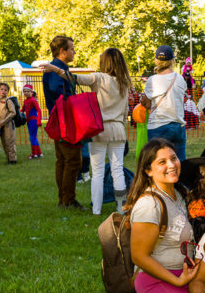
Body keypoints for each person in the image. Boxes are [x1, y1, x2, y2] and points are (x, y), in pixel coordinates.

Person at [126, 138, 205, 293]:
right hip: (156, 279)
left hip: (184, 273)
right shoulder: (149, 204)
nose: (171, 165)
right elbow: (139, 256)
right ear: (148, 171)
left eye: (173, 158)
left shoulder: (177, 193)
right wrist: (178, 282)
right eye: (162, 162)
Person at [43, 47, 132, 215]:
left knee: (97, 172)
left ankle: (96, 210)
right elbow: (125, 110)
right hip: (119, 130)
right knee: (117, 170)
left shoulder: (98, 78)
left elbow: (72, 78)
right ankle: (121, 209)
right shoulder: (124, 82)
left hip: (99, 130)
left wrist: (54, 68)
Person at [43, 35, 83, 209]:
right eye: (71, 48)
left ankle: (64, 199)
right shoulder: (55, 69)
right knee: (72, 160)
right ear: (62, 51)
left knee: (63, 159)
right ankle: (68, 200)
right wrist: (70, 100)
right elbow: (56, 91)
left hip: (60, 119)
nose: (74, 51)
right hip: (64, 119)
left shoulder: (58, 68)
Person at [139, 46, 187, 161]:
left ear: (156, 60)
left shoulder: (152, 80)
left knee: (158, 163)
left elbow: (146, 103)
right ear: (172, 60)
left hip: (158, 126)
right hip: (178, 125)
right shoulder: (180, 78)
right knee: (180, 164)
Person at [0, 84, 18, 164]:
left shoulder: (8, 101)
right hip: (0, 125)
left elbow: (13, 112)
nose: (3, 91)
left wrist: (4, 121)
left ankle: (13, 160)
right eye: (2, 89)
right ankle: (8, 158)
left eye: (5, 90)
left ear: (8, 92)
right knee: (4, 142)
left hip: (8, 124)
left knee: (9, 142)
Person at [22, 84, 43, 159]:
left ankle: (34, 154)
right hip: (29, 121)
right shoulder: (25, 101)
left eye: (28, 91)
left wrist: (39, 121)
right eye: (24, 91)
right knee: (33, 137)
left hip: (33, 120)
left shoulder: (33, 100)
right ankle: (39, 153)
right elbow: (23, 110)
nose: (26, 93)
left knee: (32, 137)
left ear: (32, 92)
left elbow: (39, 110)